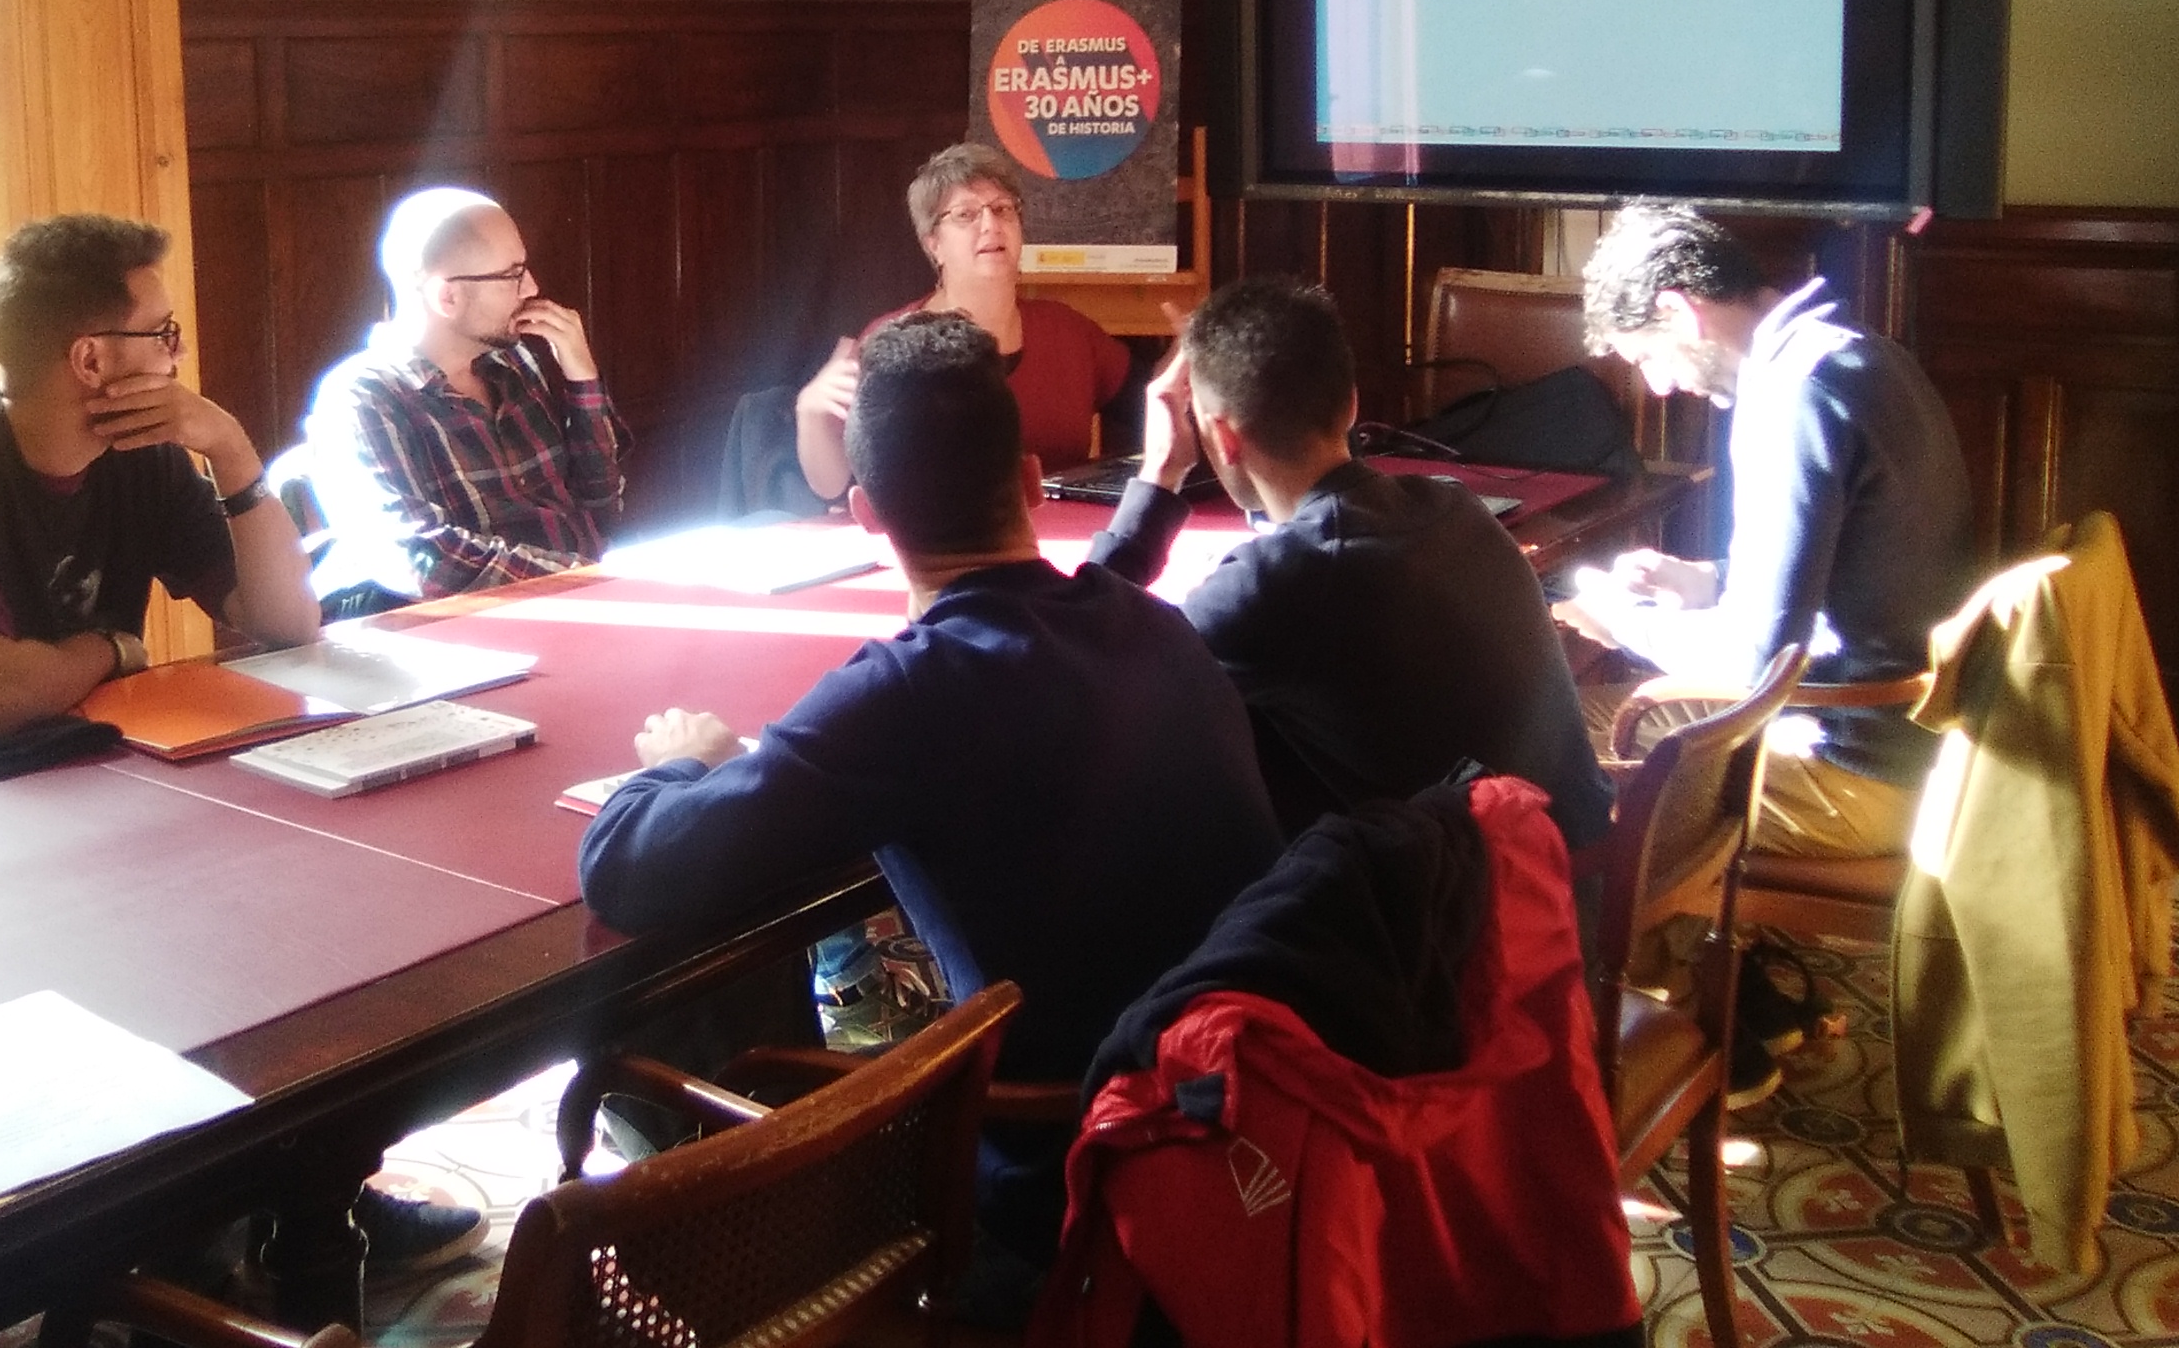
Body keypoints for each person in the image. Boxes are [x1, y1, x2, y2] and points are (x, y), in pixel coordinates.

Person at [580, 313, 1281, 1289]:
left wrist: (678, 765)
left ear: (866, 515)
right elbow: (1066, 607)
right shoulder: (1151, 625)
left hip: (1056, 1180)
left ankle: (764, 1288)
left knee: (677, 1001)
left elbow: (628, 869)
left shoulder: (907, 692)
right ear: (1031, 482)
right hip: (1244, 1115)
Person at [1087, 276, 1614, 852]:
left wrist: (1159, 472)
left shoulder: (1278, 581)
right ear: (1353, 402)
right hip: (1571, 857)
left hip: (1477, 898)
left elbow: (1082, 662)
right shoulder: (1454, 505)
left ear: (1222, 436)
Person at [1552, 202, 1975, 859]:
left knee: (1541, 746)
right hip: (1911, 745)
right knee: (1571, 726)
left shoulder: (1793, 399)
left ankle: (1628, 929)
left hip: (1851, 776)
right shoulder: (1858, 353)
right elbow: (1866, 559)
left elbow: (1752, 665)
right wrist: (1706, 581)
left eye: (1647, 357)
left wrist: (1622, 621)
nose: (1658, 387)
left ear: (1677, 309)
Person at [0, 213, 321, 737]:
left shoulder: (142, 456)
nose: (180, 353)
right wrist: (111, 647)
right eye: (163, 334)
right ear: (90, 360)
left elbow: (290, 623)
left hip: (72, 759)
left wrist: (231, 449)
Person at [305, 187, 628, 603]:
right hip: (467, 628)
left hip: (586, 602)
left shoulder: (515, 364)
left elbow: (602, 506)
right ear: (448, 297)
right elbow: (419, 559)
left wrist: (582, 379)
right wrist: (583, 580)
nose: (531, 287)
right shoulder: (362, 398)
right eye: (512, 275)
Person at [793, 143, 1130, 500]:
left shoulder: (1069, 332)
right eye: (965, 215)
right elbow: (831, 485)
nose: (991, 225)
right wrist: (810, 413)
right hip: (938, 535)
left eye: (1002, 209)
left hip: (1066, 531)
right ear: (933, 244)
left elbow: (1150, 409)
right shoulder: (891, 343)